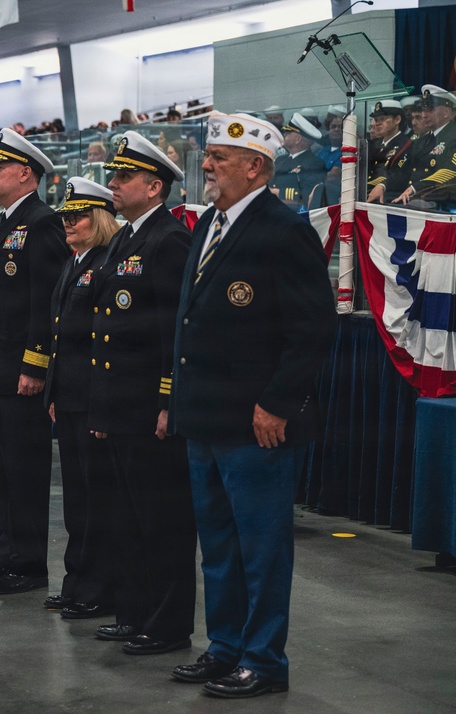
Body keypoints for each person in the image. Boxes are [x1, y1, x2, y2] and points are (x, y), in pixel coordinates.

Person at [168, 112, 336, 698]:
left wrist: (277, 403)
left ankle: (264, 661)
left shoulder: (283, 229)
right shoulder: (210, 223)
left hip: (256, 423)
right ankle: (225, 647)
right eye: (209, 154)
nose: (207, 165)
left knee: (260, 549)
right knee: (217, 543)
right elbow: (190, 323)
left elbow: (312, 330)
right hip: (206, 417)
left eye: (217, 156)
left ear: (255, 166)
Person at [85, 131, 196, 652]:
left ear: (154, 187)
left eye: (123, 177)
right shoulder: (129, 237)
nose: (113, 183)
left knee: (162, 520)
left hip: (148, 405)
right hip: (119, 402)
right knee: (127, 516)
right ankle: (134, 610)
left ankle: (167, 623)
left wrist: (166, 401)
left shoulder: (169, 240)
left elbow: (173, 330)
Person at [0, 128, 70, 595]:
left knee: (23, 471)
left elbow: (43, 302)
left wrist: (34, 365)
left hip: (17, 370)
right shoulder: (11, 221)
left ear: (25, 173)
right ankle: (8, 556)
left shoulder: (42, 222)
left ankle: (27, 564)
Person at [43, 177, 115, 617]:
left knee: (97, 499)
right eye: (66, 216)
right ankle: (76, 580)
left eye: (78, 215)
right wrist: (53, 391)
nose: (68, 222)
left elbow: (101, 343)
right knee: (76, 500)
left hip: (92, 398)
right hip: (69, 397)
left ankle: (98, 587)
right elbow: (59, 337)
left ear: (101, 218)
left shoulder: (106, 263)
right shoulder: (76, 262)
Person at [394, 84, 456, 209]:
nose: (424, 115)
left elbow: (449, 172)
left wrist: (414, 188)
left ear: (446, 112)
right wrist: (383, 185)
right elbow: (405, 170)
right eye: (423, 110)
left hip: (443, 201)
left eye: (430, 110)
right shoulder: (423, 140)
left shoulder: (453, 136)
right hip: (417, 199)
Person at [272, 113, 327, 210]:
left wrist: (278, 192)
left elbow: (309, 194)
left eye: (288, 133)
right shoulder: (281, 160)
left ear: (298, 139)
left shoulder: (314, 163)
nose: (284, 134)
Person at [367, 100, 412, 204]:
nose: (377, 123)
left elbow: (399, 174)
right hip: (368, 192)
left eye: (382, 119)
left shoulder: (406, 144)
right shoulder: (374, 144)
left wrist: (382, 185)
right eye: (376, 119)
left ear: (397, 119)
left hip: (389, 196)